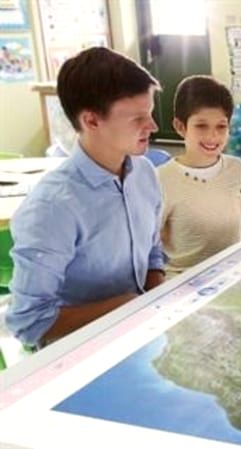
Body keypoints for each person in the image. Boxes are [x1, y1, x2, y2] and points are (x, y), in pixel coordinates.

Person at [5, 47, 166, 347]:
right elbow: (30, 322)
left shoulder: (144, 173)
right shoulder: (53, 207)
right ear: (91, 121)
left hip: (140, 334)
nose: (153, 126)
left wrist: (157, 295)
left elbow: (152, 251)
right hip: (79, 354)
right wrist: (126, 306)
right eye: (138, 118)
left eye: (150, 113)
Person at [158, 75, 241, 276]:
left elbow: (239, 231)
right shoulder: (161, 178)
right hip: (183, 280)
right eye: (201, 126)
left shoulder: (236, 168)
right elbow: (147, 247)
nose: (212, 136)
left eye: (221, 126)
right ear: (180, 127)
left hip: (231, 273)